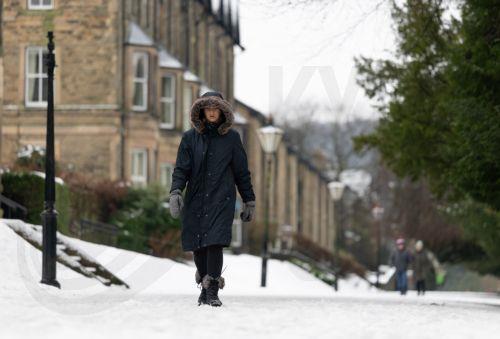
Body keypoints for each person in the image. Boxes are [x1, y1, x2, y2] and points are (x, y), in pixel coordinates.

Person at [168, 91, 256, 307]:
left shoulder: (232, 138)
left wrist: (249, 199)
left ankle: (212, 291)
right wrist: (176, 191)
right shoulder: (189, 138)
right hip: (196, 198)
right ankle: (205, 286)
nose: (212, 112)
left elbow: (241, 172)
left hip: (221, 198)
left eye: (216, 108)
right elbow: (181, 169)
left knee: (214, 242)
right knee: (198, 245)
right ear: (201, 111)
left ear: (222, 111)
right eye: (208, 108)